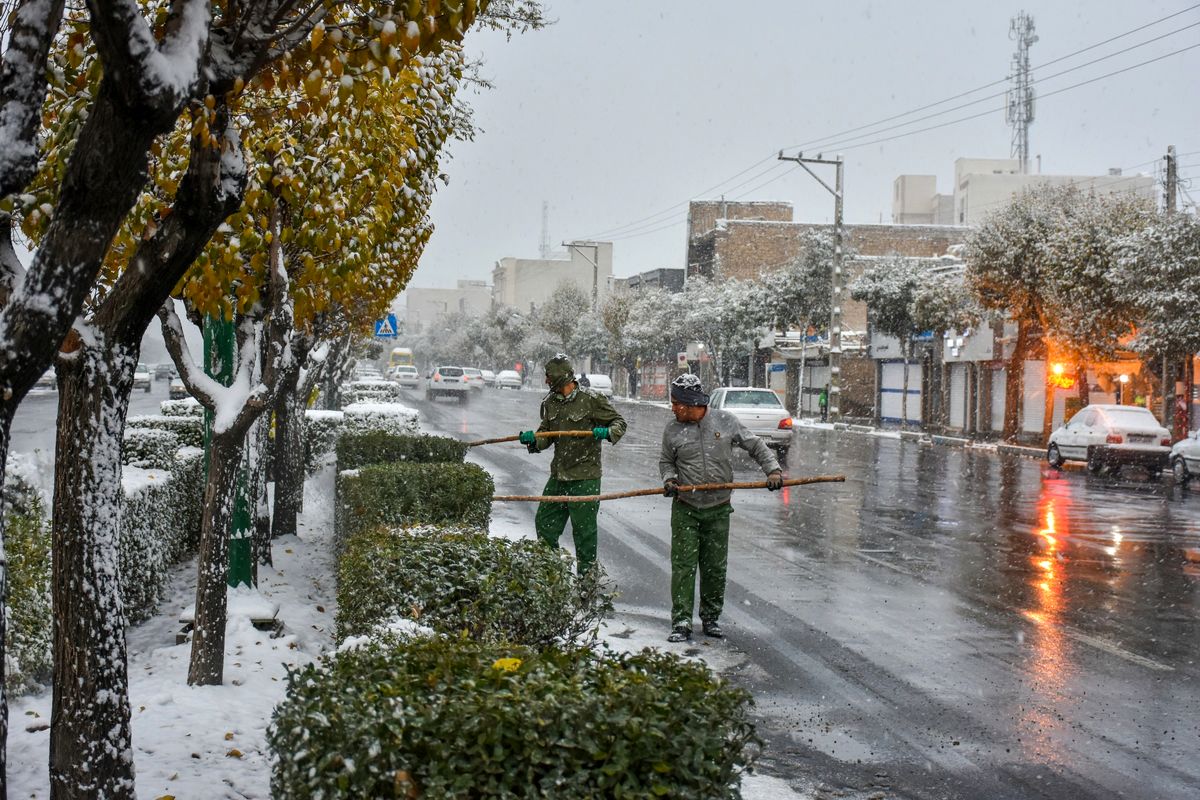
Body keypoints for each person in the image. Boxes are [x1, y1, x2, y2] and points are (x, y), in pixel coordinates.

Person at [659, 374, 783, 642]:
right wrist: (669, 479)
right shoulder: (672, 430)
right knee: (684, 566)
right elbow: (666, 461)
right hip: (686, 508)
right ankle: (681, 621)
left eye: (676, 403)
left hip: (718, 508)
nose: (673, 408)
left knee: (715, 567)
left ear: (692, 403)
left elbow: (756, 445)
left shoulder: (725, 421)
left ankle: (711, 618)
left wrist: (772, 470)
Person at [518, 355, 626, 574]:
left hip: (585, 478)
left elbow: (619, 422)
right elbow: (546, 435)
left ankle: (586, 584)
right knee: (545, 524)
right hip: (559, 476)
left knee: (584, 534)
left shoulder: (591, 399)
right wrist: (533, 440)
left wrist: (607, 432)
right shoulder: (550, 403)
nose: (546, 381)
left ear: (560, 377)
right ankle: (551, 576)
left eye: (549, 377)